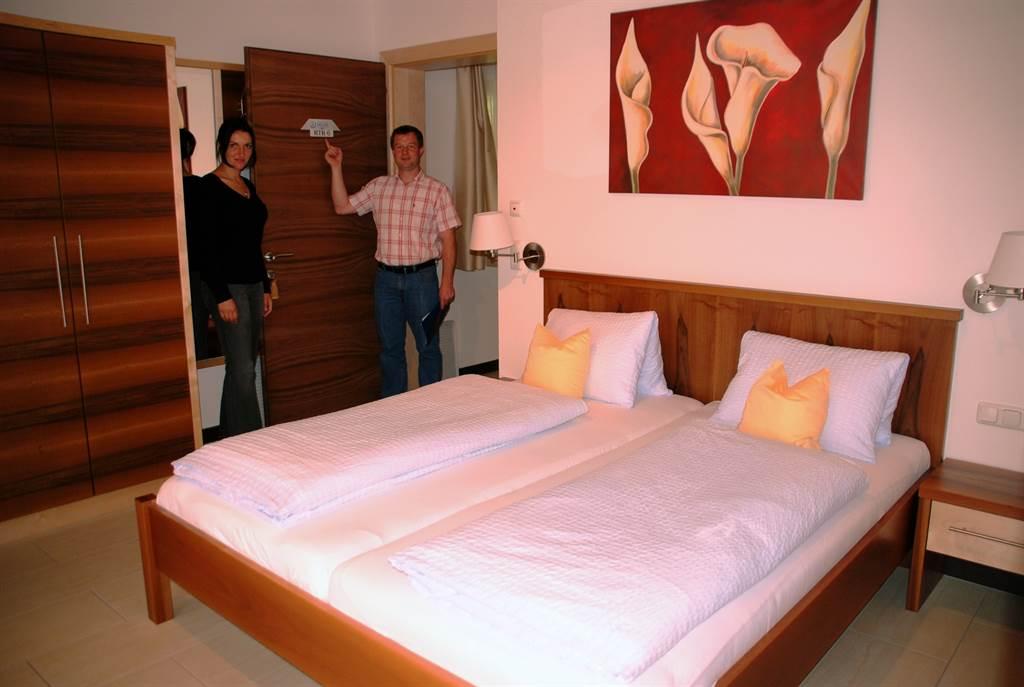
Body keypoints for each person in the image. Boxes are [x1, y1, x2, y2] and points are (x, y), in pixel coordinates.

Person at [324, 125, 461, 398]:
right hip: (386, 283)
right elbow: (342, 206)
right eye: (399, 147)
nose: (405, 152)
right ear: (393, 151)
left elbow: (449, 241)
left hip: (423, 281)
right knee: (390, 350)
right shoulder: (379, 187)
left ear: (421, 150)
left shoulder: (437, 191)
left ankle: (433, 405)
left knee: (428, 346)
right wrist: (336, 168)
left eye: (410, 146)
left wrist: (447, 283)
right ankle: (394, 407)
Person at [199, 117, 272, 437]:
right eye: (234, 146)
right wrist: (221, 296)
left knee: (242, 367)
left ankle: (231, 438)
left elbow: (253, 244)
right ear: (222, 147)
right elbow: (205, 248)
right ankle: (254, 441)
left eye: (247, 146)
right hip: (227, 287)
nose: (241, 153)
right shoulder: (207, 188)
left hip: (252, 285)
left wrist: (265, 286)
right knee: (243, 370)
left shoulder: (247, 187)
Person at [180, 128, 211, 359]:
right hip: (198, 271)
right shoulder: (200, 187)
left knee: (196, 336)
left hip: (195, 272)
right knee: (197, 336)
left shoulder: (197, 188)